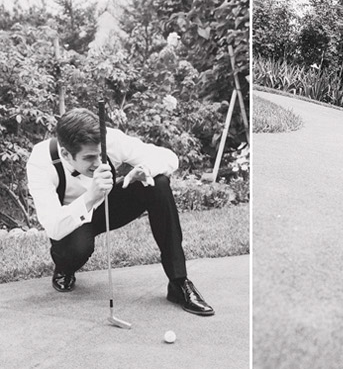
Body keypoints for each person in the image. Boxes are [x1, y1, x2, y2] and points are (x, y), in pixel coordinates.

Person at [27, 106, 213, 314]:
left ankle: (178, 282)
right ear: (66, 154)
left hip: (109, 205)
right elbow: (53, 226)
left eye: (101, 155)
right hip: (72, 221)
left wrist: (146, 169)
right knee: (77, 249)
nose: (98, 164)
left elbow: (169, 157)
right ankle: (65, 268)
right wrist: (90, 197)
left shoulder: (111, 140)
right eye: (89, 158)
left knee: (158, 183)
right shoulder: (42, 161)